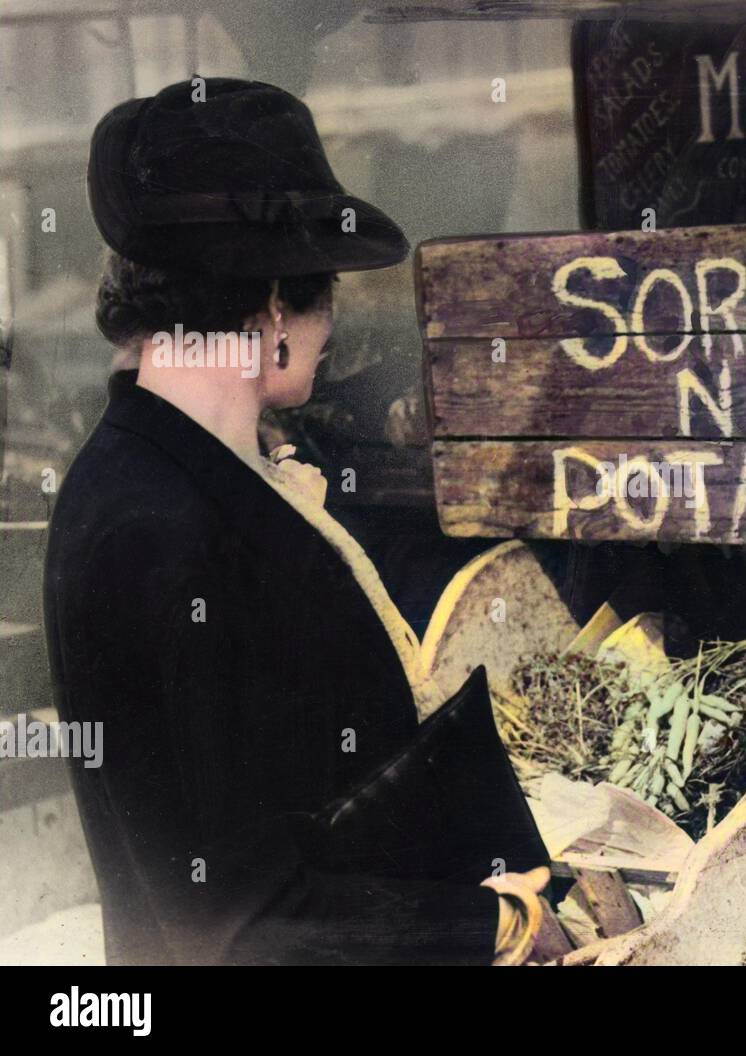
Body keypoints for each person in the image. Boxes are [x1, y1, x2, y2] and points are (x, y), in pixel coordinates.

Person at [43, 78, 549, 965]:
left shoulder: (156, 474)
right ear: (274, 301)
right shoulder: (164, 530)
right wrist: (498, 929)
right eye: (327, 291)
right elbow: (241, 922)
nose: (329, 326)